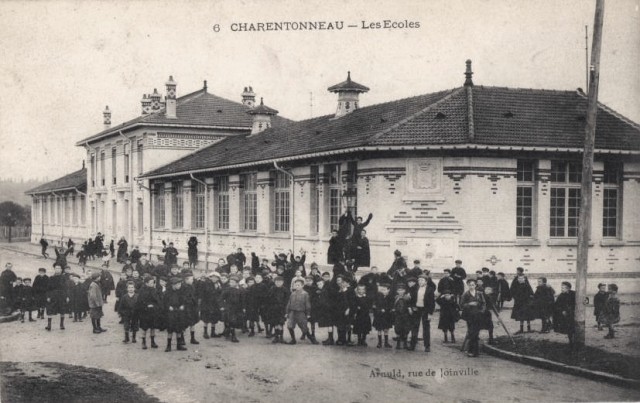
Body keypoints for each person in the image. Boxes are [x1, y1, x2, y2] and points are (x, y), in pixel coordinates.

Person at [285, 278, 318, 345]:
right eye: (296, 285)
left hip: (301, 312)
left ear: (302, 286)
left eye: (298, 285)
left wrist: (308, 313)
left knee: (304, 327)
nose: (297, 286)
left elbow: (307, 304)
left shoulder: (305, 294)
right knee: (290, 326)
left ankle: (312, 339)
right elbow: (289, 303)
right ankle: (293, 340)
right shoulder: (292, 294)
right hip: (292, 312)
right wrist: (287, 312)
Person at [409, 273, 436, 352]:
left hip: (425, 310)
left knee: (426, 328)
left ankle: (427, 346)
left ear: (426, 281)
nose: (420, 282)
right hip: (416, 310)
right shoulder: (415, 288)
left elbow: (432, 303)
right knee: (414, 327)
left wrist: (430, 313)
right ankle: (412, 345)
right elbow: (412, 300)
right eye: (419, 280)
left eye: (422, 280)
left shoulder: (430, 290)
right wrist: (411, 307)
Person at [460, 279, 485, 357]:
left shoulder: (479, 294)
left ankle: (475, 351)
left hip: (478, 315)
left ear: (475, 285)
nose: (471, 286)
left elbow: (483, 303)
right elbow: (461, 304)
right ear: (468, 285)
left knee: (476, 332)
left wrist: (482, 311)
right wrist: (469, 304)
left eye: (473, 285)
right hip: (469, 316)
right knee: (471, 332)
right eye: (470, 285)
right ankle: (471, 351)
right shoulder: (465, 294)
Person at [136, 275, 161, 349]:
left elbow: (157, 300)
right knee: (144, 327)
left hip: (153, 311)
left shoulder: (154, 290)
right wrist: (147, 305)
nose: (152, 284)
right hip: (144, 312)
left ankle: (153, 342)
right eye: (151, 282)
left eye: (153, 282)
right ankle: (143, 342)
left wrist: (154, 305)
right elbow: (140, 301)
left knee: (153, 327)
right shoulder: (142, 291)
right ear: (146, 283)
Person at [165, 277, 188, 352]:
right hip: (171, 313)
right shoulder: (167, 292)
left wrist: (183, 305)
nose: (179, 286)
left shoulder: (181, 292)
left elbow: (184, 300)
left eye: (180, 284)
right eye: (178, 284)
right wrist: (168, 306)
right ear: (173, 285)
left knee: (179, 329)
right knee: (170, 329)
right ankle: (168, 345)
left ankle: (179, 345)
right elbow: (164, 302)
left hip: (179, 312)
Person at [220, 276, 245, 343]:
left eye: (233, 282)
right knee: (231, 321)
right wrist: (222, 306)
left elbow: (243, 300)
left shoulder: (241, 290)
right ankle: (233, 336)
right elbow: (221, 298)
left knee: (235, 321)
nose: (231, 283)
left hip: (238, 308)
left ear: (237, 283)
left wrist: (243, 308)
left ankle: (228, 332)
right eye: (230, 282)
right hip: (229, 308)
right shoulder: (227, 289)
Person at [553, 281, 576, 350]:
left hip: (574, 314)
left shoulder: (574, 293)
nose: (562, 289)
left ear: (568, 288)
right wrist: (562, 310)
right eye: (561, 288)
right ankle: (571, 342)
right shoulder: (561, 295)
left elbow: (584, 299)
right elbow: (557, 305)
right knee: (569, 329)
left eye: (563, 288)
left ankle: (575, 342)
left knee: (575, 329)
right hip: (566, 315)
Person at [45, 264, 68, 331]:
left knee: (62, 310)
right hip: (53, 295)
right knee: (50, 309)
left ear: (61, 270)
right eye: (56, 268)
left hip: (62, 295)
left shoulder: (64, 278)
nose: (57, 269)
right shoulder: (51, 278)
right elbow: (48, 288)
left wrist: (67, 296)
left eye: (59, 268)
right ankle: (49, 325)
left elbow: (66, 288)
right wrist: (48, 296)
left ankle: (62, 324)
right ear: (54, 269)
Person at [266, 276, 289, 344]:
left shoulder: (285, 290)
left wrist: (286, 310)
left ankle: (281, 337)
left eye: (280, 282)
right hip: (273, 309)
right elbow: (269, 299)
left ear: (282, 282)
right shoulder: (272, 289)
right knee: (275, 323)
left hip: (282, 309)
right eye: (276, 282)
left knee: (281, 323)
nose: (278, 283)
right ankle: (276, 337)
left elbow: (287, 301)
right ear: (274, 282)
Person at [372, 282, 394, 348]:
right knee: (379, 329)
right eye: (381, 289)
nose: (382, 291)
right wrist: (377, 309)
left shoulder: (390, 297)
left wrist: (386, 309)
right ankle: (379, 343)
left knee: (386, 329)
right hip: (379, 316)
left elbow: (391, 305)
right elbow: (374, 305)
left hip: (387, 316)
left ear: (388, 290)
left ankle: (386, 343)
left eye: (384, 290)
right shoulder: (378, 296)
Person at [392, 283, 412, 350]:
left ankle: (405, 344)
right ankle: (398, 344)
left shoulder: (407, 297)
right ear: (397, 291)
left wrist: (409, 309)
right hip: (398, 315)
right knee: (398, 329)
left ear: (405, 290)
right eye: (399, 290)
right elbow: (394, 305)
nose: (400, 291)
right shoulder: (396, 297)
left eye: (402, 290)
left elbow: (409, 305)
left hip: (406, 315)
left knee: (406, 329)